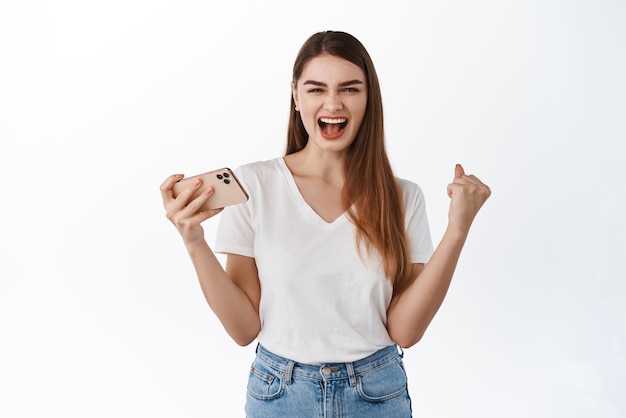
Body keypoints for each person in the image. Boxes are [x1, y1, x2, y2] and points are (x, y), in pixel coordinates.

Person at [160, 30, 490, 418]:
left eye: (350, 89)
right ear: (296, 97)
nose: (333, 103)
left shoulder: (402, 197)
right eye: (316, 89)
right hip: (279, 393)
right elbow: (243, 329)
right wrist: (193, 239)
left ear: (369, 99)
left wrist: (457, 231)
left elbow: (406, 332)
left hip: (376, 393)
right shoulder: (254, 187)